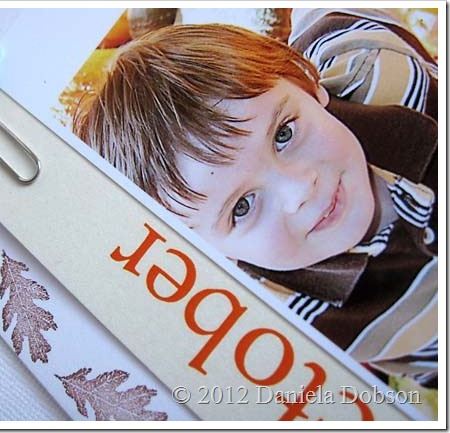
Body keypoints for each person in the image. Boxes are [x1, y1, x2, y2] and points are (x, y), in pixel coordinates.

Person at [73, 10, 437, 390]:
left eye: (283, 134)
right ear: (207, 254)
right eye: (242, 207)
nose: (299, 192)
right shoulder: (281, 331)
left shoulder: (377, 64)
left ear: (307, 81)